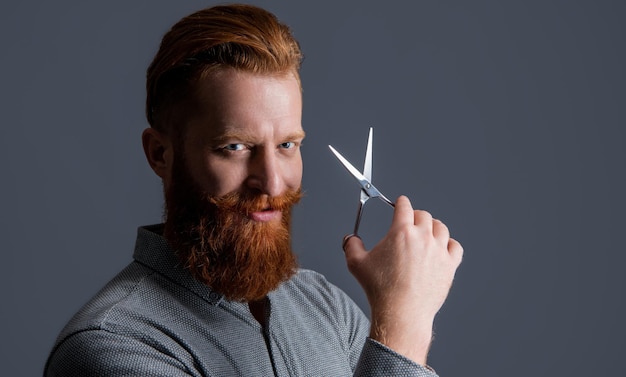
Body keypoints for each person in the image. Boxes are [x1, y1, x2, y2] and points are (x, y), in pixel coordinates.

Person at [45, 4, 463, 376]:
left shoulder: (327, 308)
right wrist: (403, 328)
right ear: (160, 154)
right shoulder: (112, 348)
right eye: (235, 147)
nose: (273, 182)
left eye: (286, 146)